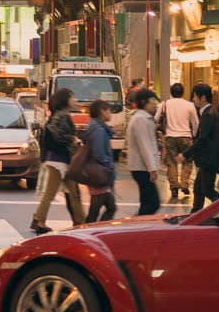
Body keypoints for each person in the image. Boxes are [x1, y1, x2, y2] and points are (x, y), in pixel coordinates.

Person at [29, 87, 85, 234]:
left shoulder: (58, 115)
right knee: (66, 193)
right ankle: (79, 222)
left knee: (68, 193)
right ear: (66, 100)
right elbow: (58, 135)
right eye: (72, 97)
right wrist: (73, 139)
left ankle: (78, 221)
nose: (74, 100)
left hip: (56, 159)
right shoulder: (63, 116)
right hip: (60, 160)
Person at [158, 82, 199, 203]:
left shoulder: (165, 104)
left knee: (171, 162)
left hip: (170, 137)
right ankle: (184, 184)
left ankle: (174, 187)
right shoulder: (189, 105)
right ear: (183, 92)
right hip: (186, 136)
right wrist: (194, 135)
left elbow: (155, 118)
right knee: (188, 161)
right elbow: (196, 123)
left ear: (171, 92)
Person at [79, 99, 119, 222]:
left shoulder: (95, 127)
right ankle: (92, 229)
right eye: (109, 111)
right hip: (100, 174)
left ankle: (92, 228)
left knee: (99, 208)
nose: (111, 114)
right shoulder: (99, 130)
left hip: (96, 173)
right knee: (107, 208)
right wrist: (109, 166)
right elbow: (99, 154)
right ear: (102, 111)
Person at [125, 88, 163, 216]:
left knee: (147, 202)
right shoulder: (140, 119)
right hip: (141, 168)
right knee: (153, 203)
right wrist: (152, 169)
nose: (154, 105)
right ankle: (137, 224)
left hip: (143, 167)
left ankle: (139, 223)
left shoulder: (144, 118)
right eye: (152, 101)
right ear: (143, 102)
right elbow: (145, 145)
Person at [188, 83, 219, 210]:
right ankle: (195, 214)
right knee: (198, 188)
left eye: (195, 96)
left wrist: (186, 153)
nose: (193, 99)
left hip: (208, 159)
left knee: (207, 190)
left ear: (203, 98)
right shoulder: (208, 112)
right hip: (207, 159)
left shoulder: (208, 114)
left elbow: (203, 138)